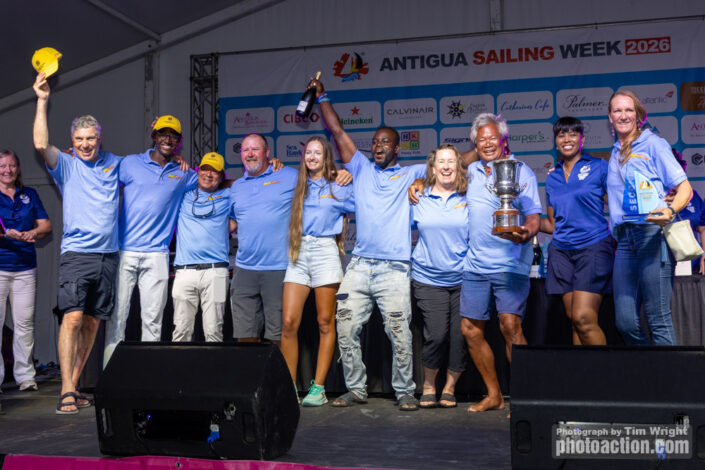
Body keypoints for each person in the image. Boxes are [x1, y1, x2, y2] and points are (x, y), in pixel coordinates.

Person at [312, 78, 427, 411]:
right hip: (360, 266)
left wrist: (483, 145)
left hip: (395, 268)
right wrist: (322, 96)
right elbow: (337, 130)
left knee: (399, 332)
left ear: (397, 148)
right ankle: (356, 388)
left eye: (385, 142)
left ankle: (405, 390)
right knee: (345, 326)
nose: (378, 146)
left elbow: (451, 162)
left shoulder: (411, 174)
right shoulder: (360, 168)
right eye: (375, 141)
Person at [33, 73, 121, 414]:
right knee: (71, 320)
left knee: (92, 323)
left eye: (90, 138)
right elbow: (41, 144)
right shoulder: (67, 166)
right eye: (79, 139)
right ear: (72, 140)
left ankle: (74, 382)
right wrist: (42, 100)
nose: (85, 144)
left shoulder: (114, 164)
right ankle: (66, 389)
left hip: (108, 257)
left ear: (99, 138)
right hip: (77, 255)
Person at [460, 113, 541, 413]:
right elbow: (443, 166)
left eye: (493, 138)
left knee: (510, 326)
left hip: (510, 264)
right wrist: (418, 181)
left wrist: (526, 233)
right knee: (470, 330)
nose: (487, 144)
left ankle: (525, 400)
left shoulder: (521, 171)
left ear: (504, 140)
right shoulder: (469, 172)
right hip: (475, 265)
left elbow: (534, 216)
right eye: (481, 140)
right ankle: (494, 395)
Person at [103, 116, 197, 367]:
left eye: (173, 135)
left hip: (157, 254)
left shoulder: (183, 173)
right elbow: (99, 169)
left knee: (153, 321)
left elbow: (214, 180)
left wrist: (265, 168)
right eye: (163, 134)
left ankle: (147, 376)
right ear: (153, 136)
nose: (168, 139)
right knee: (117, 319)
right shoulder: (130, 163)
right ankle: (111, 377)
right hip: (124, 251)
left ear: (179, 141)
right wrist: (72, 156)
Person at [606, 90, 691, 345]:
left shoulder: (653, 144)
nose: (623, 116)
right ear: (610, 117)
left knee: (658, 318)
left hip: (652, 235)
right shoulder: (615, 151)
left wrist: (670, 211)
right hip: (624, 241)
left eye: (629, 110)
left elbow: (685, 188)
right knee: (625, 322)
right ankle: (650, 366)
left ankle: (668, 371)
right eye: (617, 111)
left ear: (638, 115)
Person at [281, 136, 354, 406]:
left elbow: (368, 202)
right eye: (308, 152)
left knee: (325, 322)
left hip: (325, 251)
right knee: (289, 322)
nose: (312, 157)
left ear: (326, 157)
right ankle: (289, 387)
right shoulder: (296, 184)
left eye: (318, 153)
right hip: (298, 252)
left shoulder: (339, 186)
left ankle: (318, 388)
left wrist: (348, 174)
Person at [539, 117, 613, 345]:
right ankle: (581, 368)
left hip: (593, 247)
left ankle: (606, 368)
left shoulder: (599, 166)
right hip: (561, 252)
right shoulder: (552, 176)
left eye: (573, 134)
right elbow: (552, 223)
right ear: (556, 141)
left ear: (583, 139)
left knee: (584, 318)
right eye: (561, 135)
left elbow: (619, 200)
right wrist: (522, 219)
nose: (567, 139)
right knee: (573, 319)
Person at [411, 144, 468, 409]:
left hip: (464, 279)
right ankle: (428, 385)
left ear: (458, 167)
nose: (446, 166)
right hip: (428, 279)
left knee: (459, 336)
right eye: (441, 162)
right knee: (436, 335)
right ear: (433, 168)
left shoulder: (469, 197)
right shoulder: (418, 198)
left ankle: (449, 387)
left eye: (451, 161)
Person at [229, 134, 299, 345]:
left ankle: (276, 369)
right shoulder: (236, 186)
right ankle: (252, 369)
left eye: (255, 149)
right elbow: (231, 223)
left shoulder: (289, 176)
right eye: (245, 150)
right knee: (245, 334)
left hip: (278, 268)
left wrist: (337, 173)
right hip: (244, 269)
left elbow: (318, 181)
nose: (250, 154)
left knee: (277, 336)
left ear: (267, 152)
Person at [0, 149, 52, 392]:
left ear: (18, 169)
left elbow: (46, 226)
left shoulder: (29, 194)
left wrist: (32, 232)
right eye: (2, 166)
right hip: (1, 268)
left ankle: (26, 377)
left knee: (24, 324)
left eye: (11, 165)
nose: (7, 170)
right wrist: (5, 235)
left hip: (25, 268)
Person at [171, 152, 235, 342]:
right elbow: (167, 176)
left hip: (216, 271)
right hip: (185, 271)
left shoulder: (228, 195)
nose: (209, 174)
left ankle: (212, 365)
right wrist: (175, 157)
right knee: (181, 331)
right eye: (205, 169)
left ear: (221, 177)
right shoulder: (183, 194)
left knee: (213, 332)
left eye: (215, 171)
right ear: (197, 171)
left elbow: (249, 191)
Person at [669, 149, 705, 274]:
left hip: (692, 265)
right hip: (660, 264)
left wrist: (704, 255)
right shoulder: (651, 196)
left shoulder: (692, 195)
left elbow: (703, 228)